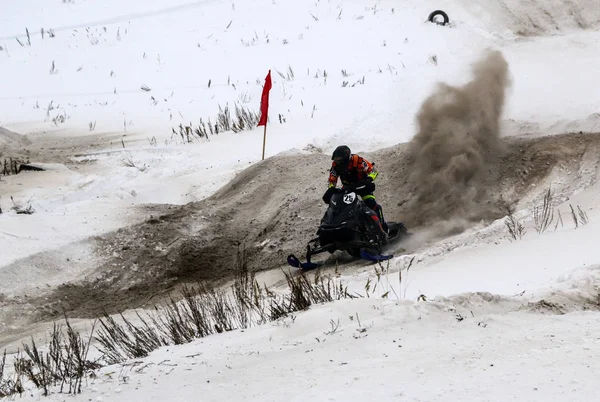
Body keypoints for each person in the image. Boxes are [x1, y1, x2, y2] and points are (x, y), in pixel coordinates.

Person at [322, 145, 388, 232]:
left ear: (346, 158)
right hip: (347, 188)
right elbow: (332, 179)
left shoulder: (358, 161)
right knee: (339, 207)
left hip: (362, 186)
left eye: (339, 160)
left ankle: (383, 230)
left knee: (373, 205)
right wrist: (331, 189)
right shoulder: (335, 165)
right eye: (336, 160)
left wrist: (369, 179)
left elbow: (373, 171)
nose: (337, 162)